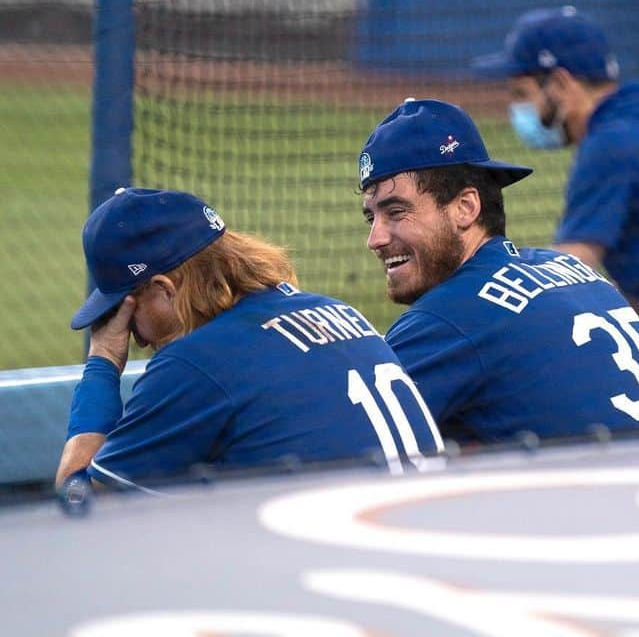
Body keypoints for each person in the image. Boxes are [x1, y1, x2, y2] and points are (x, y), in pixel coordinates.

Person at [55, 188, 442, 493]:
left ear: (164, 290)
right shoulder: (337, 310)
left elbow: (78, 503)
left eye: (128, 310)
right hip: (419, 528)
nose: (134, 338)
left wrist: (103, 361)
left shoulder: (196, 364)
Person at [358, 98, 639, 443]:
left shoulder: (453, 316)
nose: (375, 239)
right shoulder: (571, 271)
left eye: (396, 212)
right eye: (372, 218)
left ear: (465, 208)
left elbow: (345, 438)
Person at [472, 6, 639, 312]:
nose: (515, 109)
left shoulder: (608, 144)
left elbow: (569, 266)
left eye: (521, 93)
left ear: (561, 83)